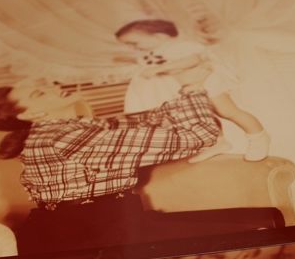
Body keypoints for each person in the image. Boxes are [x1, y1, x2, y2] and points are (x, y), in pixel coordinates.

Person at [0, 79, 221, 256]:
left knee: (231, 225)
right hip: (82, 236)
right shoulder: (67, 137)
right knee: (231, 230)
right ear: (34, 114)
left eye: (44, 84)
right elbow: (200, 136)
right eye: (39, 94)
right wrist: (195, 89)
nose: (54, 86)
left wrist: (185, 90)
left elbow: (151, 118)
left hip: (100, 222)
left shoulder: (78, 128)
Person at [115, 19, 271, 163]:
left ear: (159, 36)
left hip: (205, 80)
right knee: (203, 114)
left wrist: (160, 68)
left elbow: (193, 60)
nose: (133, 48)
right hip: (187, 85)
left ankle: (258, 136)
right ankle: (217, 142)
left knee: (226, 111)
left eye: (134, 43)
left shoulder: (180, 45)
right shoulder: (153, 52)